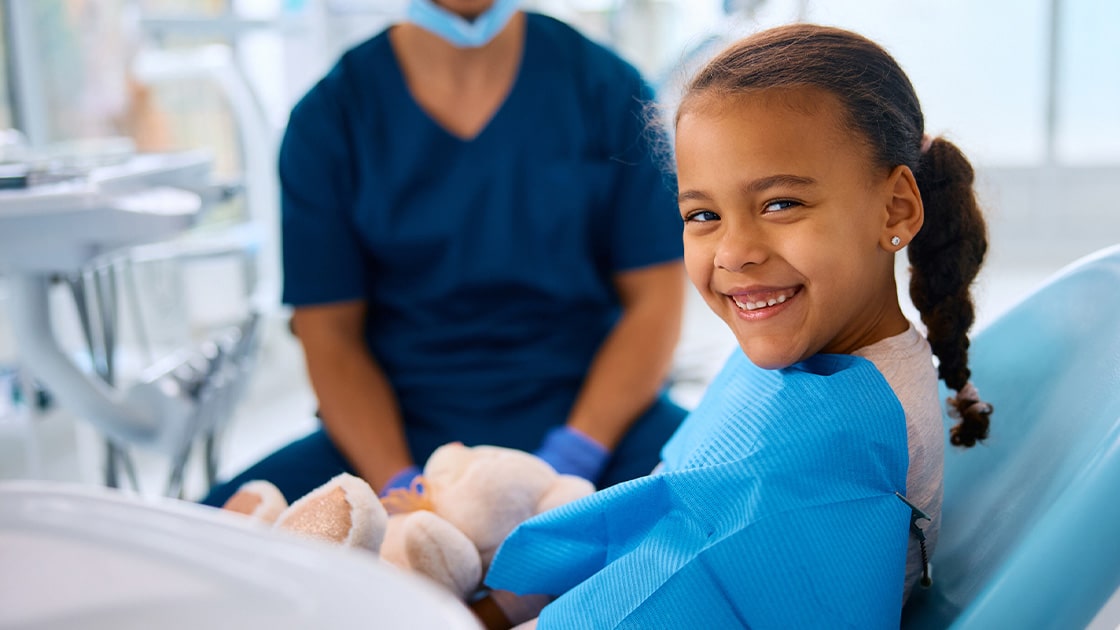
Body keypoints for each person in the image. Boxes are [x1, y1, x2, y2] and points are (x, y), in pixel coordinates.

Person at [472, 23, 995, 629]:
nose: (734, 251)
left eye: (780, 204)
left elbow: (676, 588)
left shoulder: (838, 450)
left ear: (895, 209)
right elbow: (673, 504)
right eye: (703, 214)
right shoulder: (822, 354)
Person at [201, 0, 687, 507]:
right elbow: (329, 335)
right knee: (206, 538)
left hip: (597, 420)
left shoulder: (606, 89)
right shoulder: (331, 119)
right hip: (394, 431)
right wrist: (401, 491)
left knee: (735, 508)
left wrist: (573, 461)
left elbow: (655, 301)